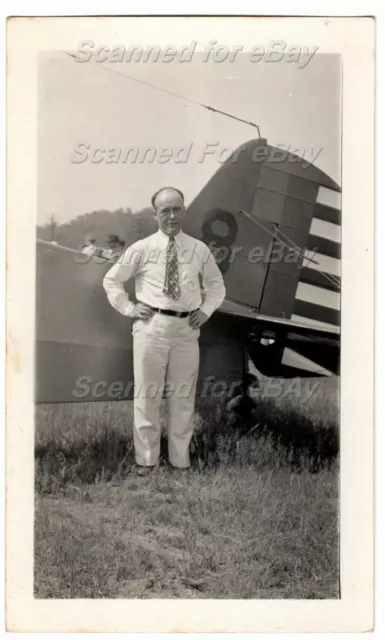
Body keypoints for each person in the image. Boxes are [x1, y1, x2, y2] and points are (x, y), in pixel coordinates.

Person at [103, 187, 226, 473]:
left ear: (184, 211)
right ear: (155, 214)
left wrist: (205, 311)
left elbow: (216, 286)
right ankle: (146, 461)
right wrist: (129, 308)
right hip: (151, 328)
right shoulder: (142, 249)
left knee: (183, 398)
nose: (171, 215)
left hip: (186, 330)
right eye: (165, 210)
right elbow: (112, 280)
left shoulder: (198, 249)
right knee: (147, 396)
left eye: (176, 209)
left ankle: (180, 461)